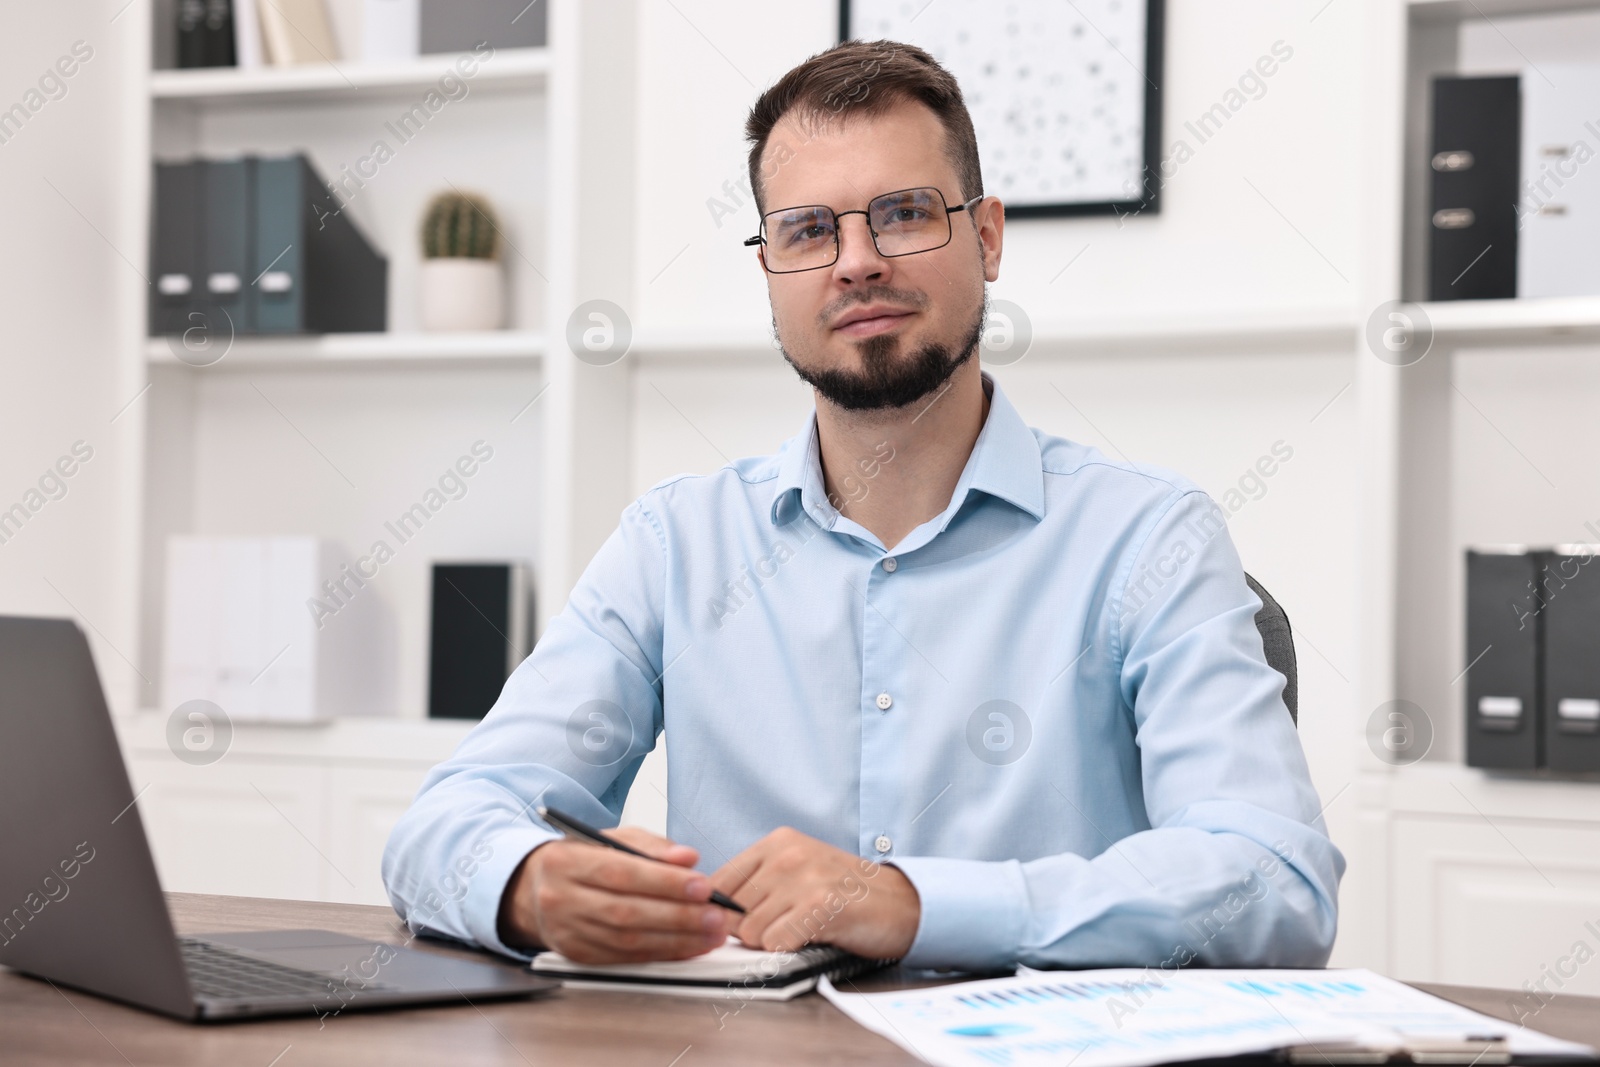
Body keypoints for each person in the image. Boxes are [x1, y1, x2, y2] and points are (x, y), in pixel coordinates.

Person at [383, 40, 1343, 971]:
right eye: (809, 231)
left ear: (988, 237)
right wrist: (528, 883)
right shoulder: (677, 544)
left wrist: (914, 902)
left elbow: (1274, 877)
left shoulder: (1151, 539)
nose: (856, 262)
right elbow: (445, 823)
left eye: (904, 214)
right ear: (771, 268)